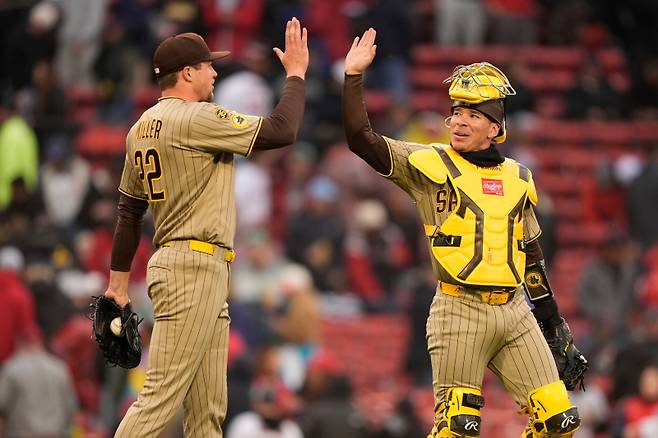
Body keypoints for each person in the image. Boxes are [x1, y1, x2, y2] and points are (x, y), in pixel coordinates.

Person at [342, 28, 587, 437]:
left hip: (514, 310)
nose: (459, 120)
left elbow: (531, 257)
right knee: (458, 428)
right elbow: (360, 139)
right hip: (459, 309)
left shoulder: (519, 177)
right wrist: (353, 78)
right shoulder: (429, 163)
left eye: (473, 114)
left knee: (560, 422)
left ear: (495, 128)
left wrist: (554, 323)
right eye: (457, 111)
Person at [103, 18, 308, 437]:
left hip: (196, 266)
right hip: (192, 267)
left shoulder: (139, 129)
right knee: (159, 399)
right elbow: (282, 131)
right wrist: (296, 75)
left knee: (208, 411)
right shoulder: (197, 118)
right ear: (187, 73)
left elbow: (128, 211)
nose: (215, 72)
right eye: (208, 65)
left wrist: (118, 286)